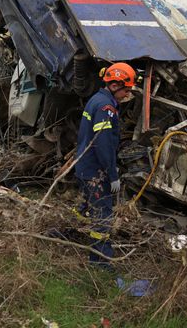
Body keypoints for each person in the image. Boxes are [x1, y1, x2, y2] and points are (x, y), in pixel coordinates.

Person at [74, 62, 136, 267]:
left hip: (85, 166)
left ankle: (60, 233)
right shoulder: (105, 107)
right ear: (116, 85)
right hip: (95, 171)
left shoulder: (96, 99)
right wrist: (112, 173)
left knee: (85, 208)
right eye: (126, 90)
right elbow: (102, 143)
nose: (127, 95)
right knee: (103, 216)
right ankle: (99, 262)